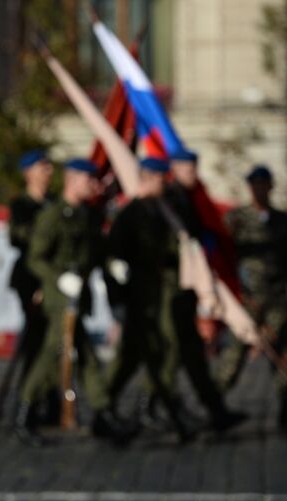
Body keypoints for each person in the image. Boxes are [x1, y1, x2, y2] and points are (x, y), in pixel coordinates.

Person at [16, 158, 127, 445]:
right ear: (72, 180)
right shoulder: (52, 216)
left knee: (87, 354)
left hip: (80, 297)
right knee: (53, 352)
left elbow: (96, 250)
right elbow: (35, 258)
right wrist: (59, 278)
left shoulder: (87, 216)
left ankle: (103, 413)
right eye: (89, 180)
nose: (94, 186)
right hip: (59, 299)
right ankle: (25, 412)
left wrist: (112, 263)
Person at [106, 157, 197, 443]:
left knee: (159, 350)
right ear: (146, 179)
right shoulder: (131, 213)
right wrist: (117, 301)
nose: (164, 184)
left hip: (155, 294)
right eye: (159, 179)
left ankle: (147, 407)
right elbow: (112, 256)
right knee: (130, 357)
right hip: (135, 297)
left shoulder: (160, 211)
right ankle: (104, 406)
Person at [156, 149, 247, 432]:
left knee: (192, 353)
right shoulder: (167, 201)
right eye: (186, 168)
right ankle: (160, 407)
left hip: (187, 289)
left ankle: (214, 410)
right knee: (170, 353)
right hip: (170, 290)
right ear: (175, 169)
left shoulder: (189, 199)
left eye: (194, 167)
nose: (192, 172)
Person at [223, 165, 287, 431]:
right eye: (255, 184)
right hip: (247, 298)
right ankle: (214, 404)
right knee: (234, 354)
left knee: (280, 351)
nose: (260, 188)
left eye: (264, 184)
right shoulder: (236, 219)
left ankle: (285, 409)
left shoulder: (282, 221)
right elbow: (224, 256)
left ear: (271, 187)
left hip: (277, 299)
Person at [9, 150, 55, 426]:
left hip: (51, 278)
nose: (47, 171)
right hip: (29, 279)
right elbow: (18, 238)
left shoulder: (53, 203)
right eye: (41, 167)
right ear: (28, 173)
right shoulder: (22, 205)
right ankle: (31, 399)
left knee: (52, 342)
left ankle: (47, 398)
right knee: (36, 341)